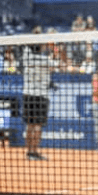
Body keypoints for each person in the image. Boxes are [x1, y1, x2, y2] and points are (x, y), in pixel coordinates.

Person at [22, 27, 61, 161]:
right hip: (41, 96)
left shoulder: (26, 56)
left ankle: (29, 152)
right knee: (37, 125)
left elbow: (31, 43)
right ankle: (34, 152)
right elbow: (59, 63)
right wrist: (53, 46)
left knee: (29, 125)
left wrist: (39, 36)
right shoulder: (46, 61)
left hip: (28, 94)